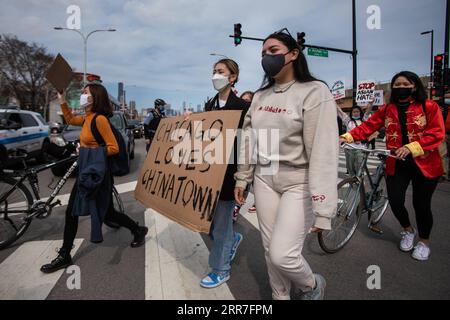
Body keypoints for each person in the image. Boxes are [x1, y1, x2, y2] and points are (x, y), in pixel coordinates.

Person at [234, 29, 339, 300]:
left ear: (293, 54)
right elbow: (248, 139)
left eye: (273, 51)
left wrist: (323, 208)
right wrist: (242, 178)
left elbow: (323, 152)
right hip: (264, 178)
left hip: (299, 180)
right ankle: (279, 296)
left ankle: (311, 285)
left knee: (284, 255)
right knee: (270, 249)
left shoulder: (315, 91)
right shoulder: (259, 96)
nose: (266, 57)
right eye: (262, 53)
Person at [40, 84, 148, 274]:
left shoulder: (100, 120)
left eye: (85, 93)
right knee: (74, 212)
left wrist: (87, 151)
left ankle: (137, 230)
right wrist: (62, 99)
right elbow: (71, 119)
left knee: (107, 214)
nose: (82, 95)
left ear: (94, 97)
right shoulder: (88, 118)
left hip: (98, 175)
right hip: (88, 172)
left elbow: (113, 147)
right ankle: (65, 254)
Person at [340, 71, 445, 261]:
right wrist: (347, 136)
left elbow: (437, 133)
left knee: (421, 205)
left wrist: (412, 147)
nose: (401, 87)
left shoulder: (429, 106)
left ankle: (424, 242)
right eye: (397, 84)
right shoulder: (387, 109)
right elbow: (368, 126)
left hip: (425, 164)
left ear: (414, 86)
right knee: (396, 201)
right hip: (396, 163)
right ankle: (408, 230)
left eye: (406, 84)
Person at [200, 59, 250, 288]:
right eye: (213, 71)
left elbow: (248, 145)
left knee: (220, 224)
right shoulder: (209, 106)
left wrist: (243, 179)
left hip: (229, 174)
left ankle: (220, 269)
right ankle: (231, 240)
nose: (215, 75)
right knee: (208, 223)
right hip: (208, 173)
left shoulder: (242, 107)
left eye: (220, 72)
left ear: (232, 77)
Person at [336, 101, 374, 175]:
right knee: (350, 169)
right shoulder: (348, 121)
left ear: (360, 112)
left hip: (360, 148)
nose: (356, 113)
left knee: (359, 169)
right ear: (351, 113)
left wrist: (371, 103)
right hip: (349, 148)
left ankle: (360, 184)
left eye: (357, 111)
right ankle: (353, 184)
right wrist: (333, 101)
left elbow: (368, 111)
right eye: (354, 112)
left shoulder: (363, 120)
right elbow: (339, 111)